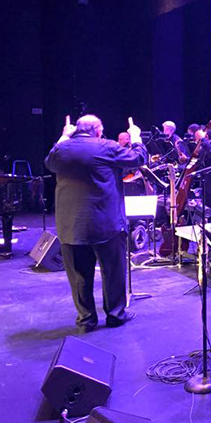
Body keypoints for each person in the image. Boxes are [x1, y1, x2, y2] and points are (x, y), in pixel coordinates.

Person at [45, 115, 146, 333]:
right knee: (113, 272)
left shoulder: (61, 150)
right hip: (105, 224)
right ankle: (116, 315)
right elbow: (138, 159)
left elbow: (49, 163)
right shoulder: (107, 147)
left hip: (71, 225)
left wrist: (64, 134)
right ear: (98, 130)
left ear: (75, 130)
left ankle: (86, 319)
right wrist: (136, 137)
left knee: (79, 277)